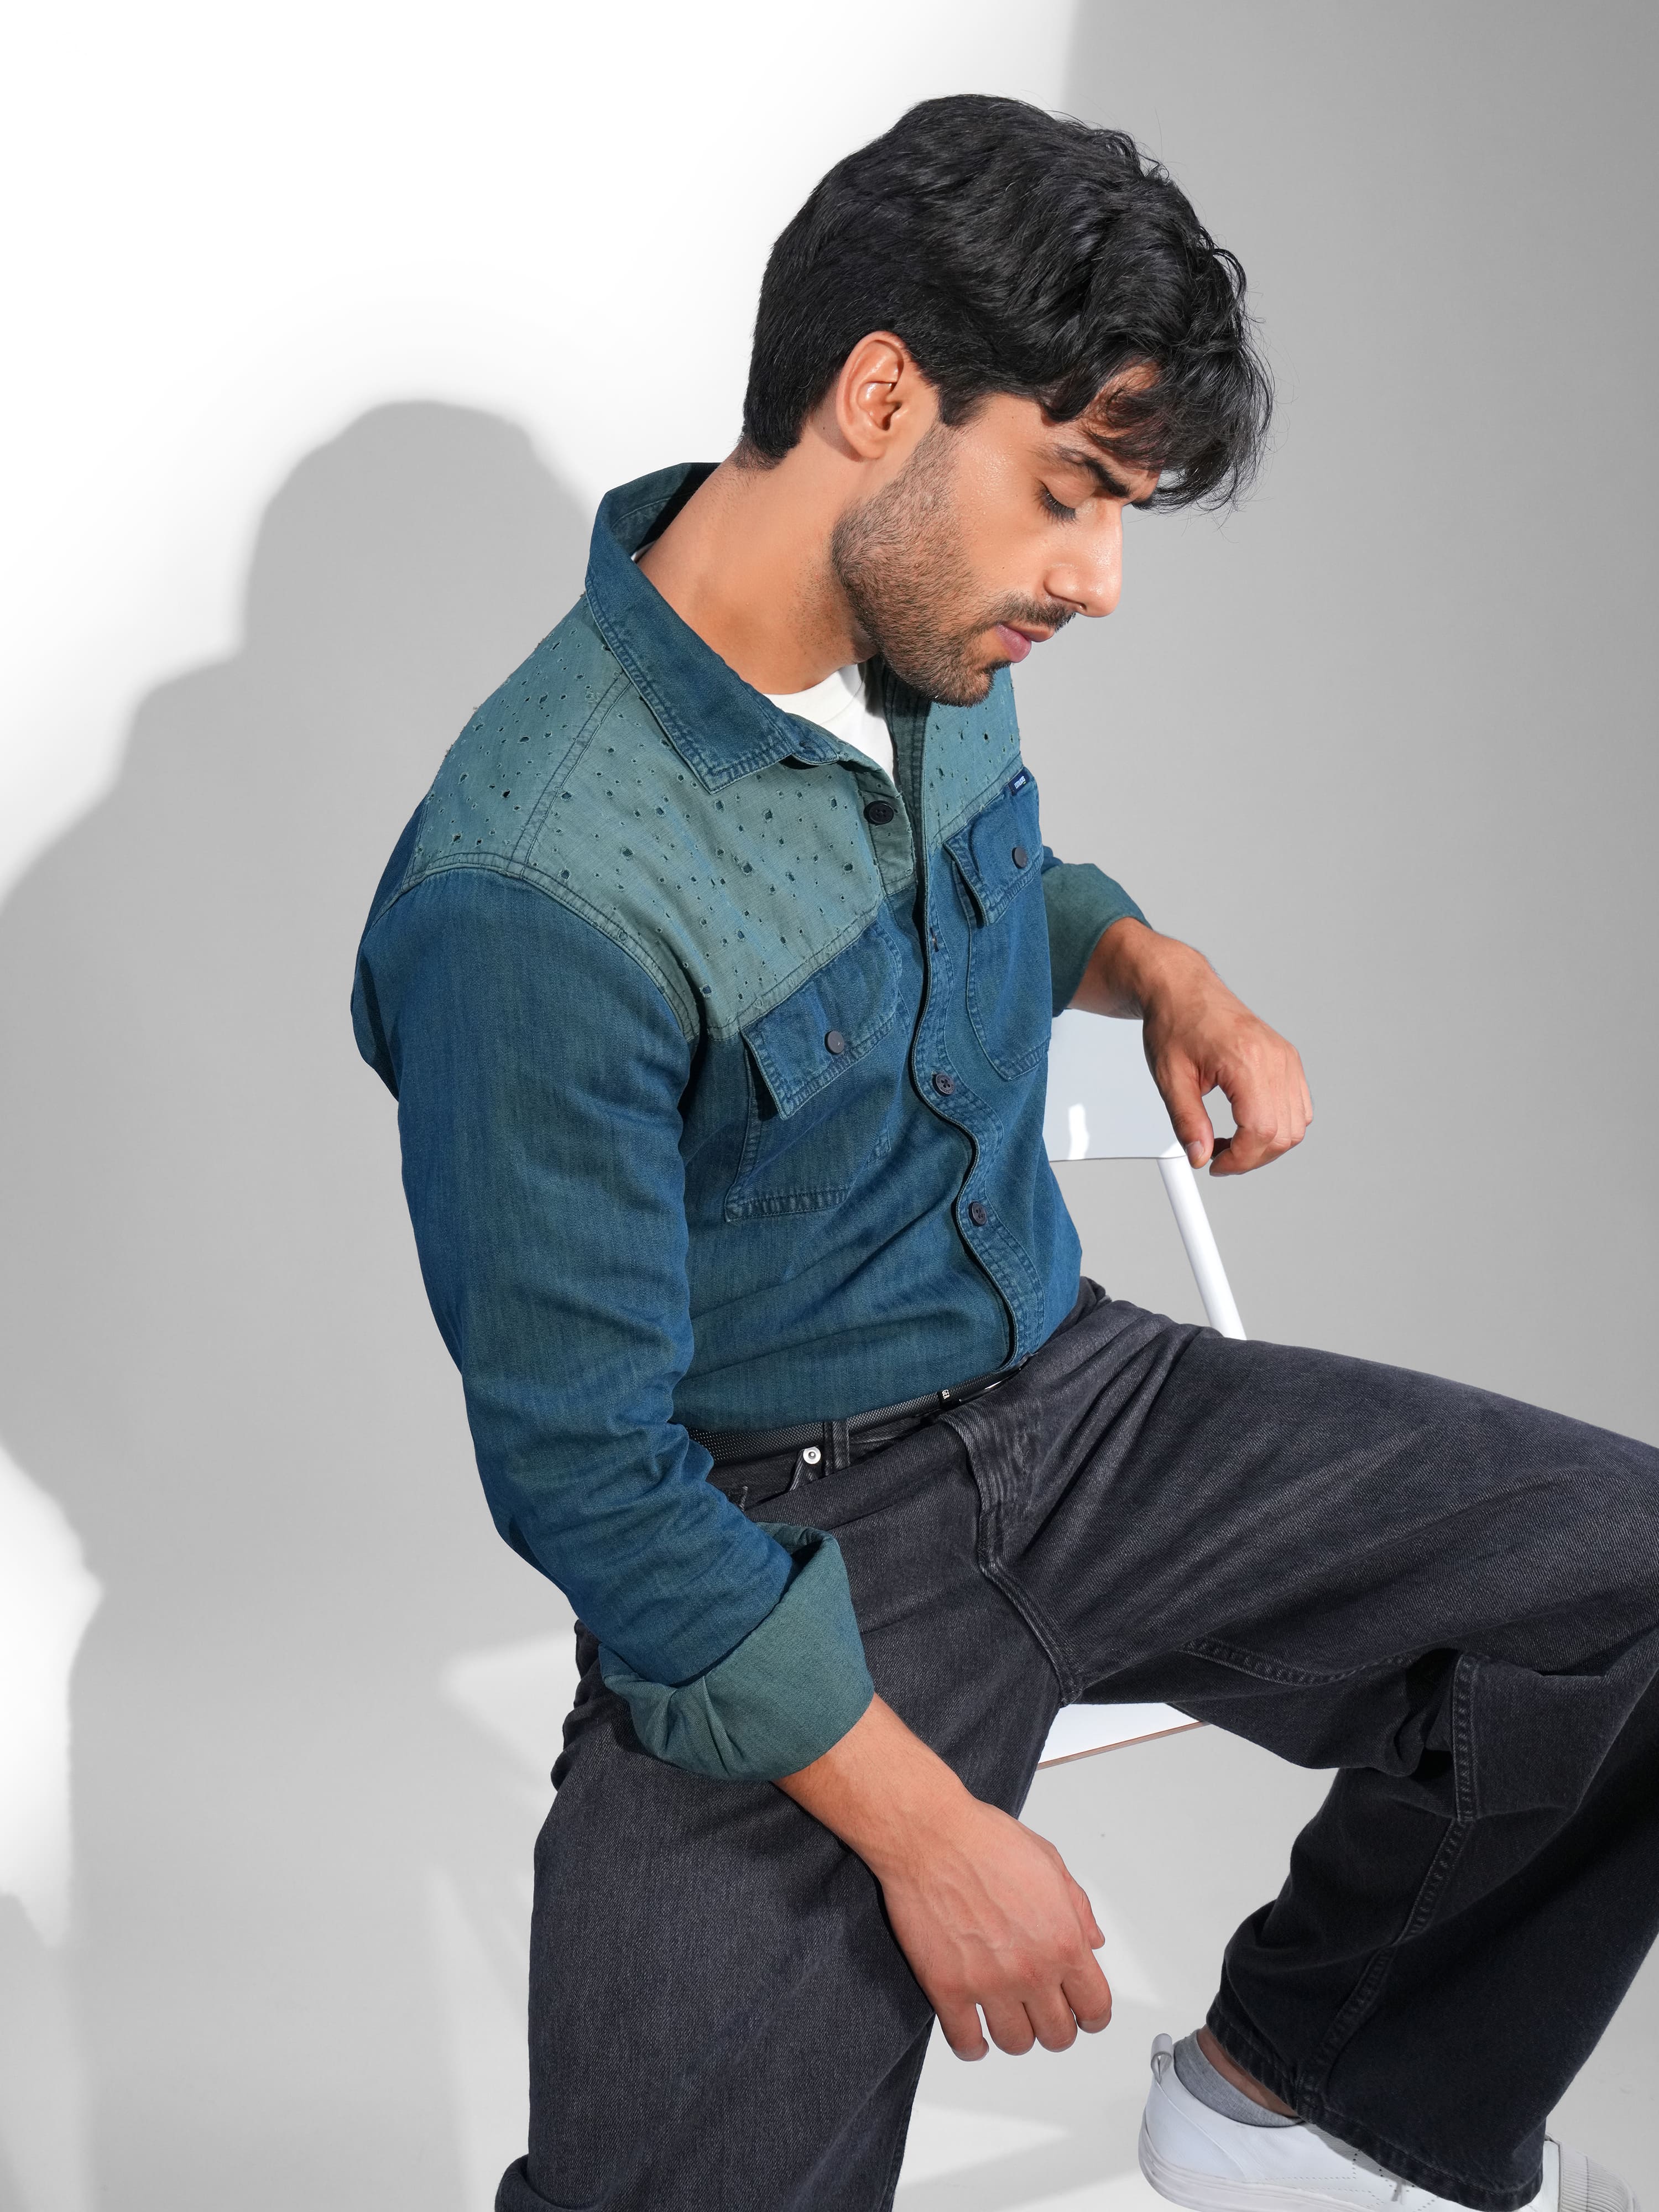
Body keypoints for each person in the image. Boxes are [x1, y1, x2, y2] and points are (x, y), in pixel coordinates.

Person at [351, 94, 1657, 2212]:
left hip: (1084, 1399)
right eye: (1073, 495)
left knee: (1641, 1586)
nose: (1100, 581)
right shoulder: (529, 892)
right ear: (882, 399)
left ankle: (1310, 2108)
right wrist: (934, 1837)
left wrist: (1155, 968)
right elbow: (586, 1473)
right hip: (779, 1550)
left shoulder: (930, 626)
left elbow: (979, 882)